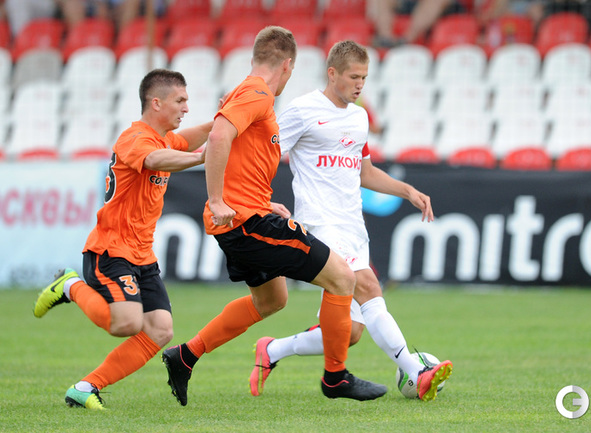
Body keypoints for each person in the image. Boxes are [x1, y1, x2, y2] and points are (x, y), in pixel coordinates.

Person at [161, 26, 388, 406]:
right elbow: (218, 137)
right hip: (245, 223)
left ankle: (185, 356)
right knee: (342, 277)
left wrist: (263, 202)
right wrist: (216, 199)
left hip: (247, 217)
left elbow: (238, 152)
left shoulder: (246, 93)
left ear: (255, 58)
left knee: (271, 300)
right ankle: (335, 377)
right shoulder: (258, 92)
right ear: (287, 65)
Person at [248, 40, 453, 402]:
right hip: (319, 223)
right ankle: (416, 370)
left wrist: (407, 190)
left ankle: (272, 349)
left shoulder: (359, 117)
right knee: (369, 286)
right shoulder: (303, 110)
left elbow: (365, 172)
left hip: (352, 224)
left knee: (351, 332)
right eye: (354, 77)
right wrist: (259, 200)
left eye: (364, 78)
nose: (360, 85)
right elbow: (265, 155)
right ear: (333, 73)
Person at [33, 69, 213, 410]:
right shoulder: (136, 138)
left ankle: (85, 387)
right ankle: (69, 286)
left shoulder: (163, 139)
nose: (186, 108)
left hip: (142, 255)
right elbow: (155, 159)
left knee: (160, 330)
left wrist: (222, 122)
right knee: (126, 323)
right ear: (156, 102)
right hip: (111, 250)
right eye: (180, 100)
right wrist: (202, 157)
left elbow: (188, 139)